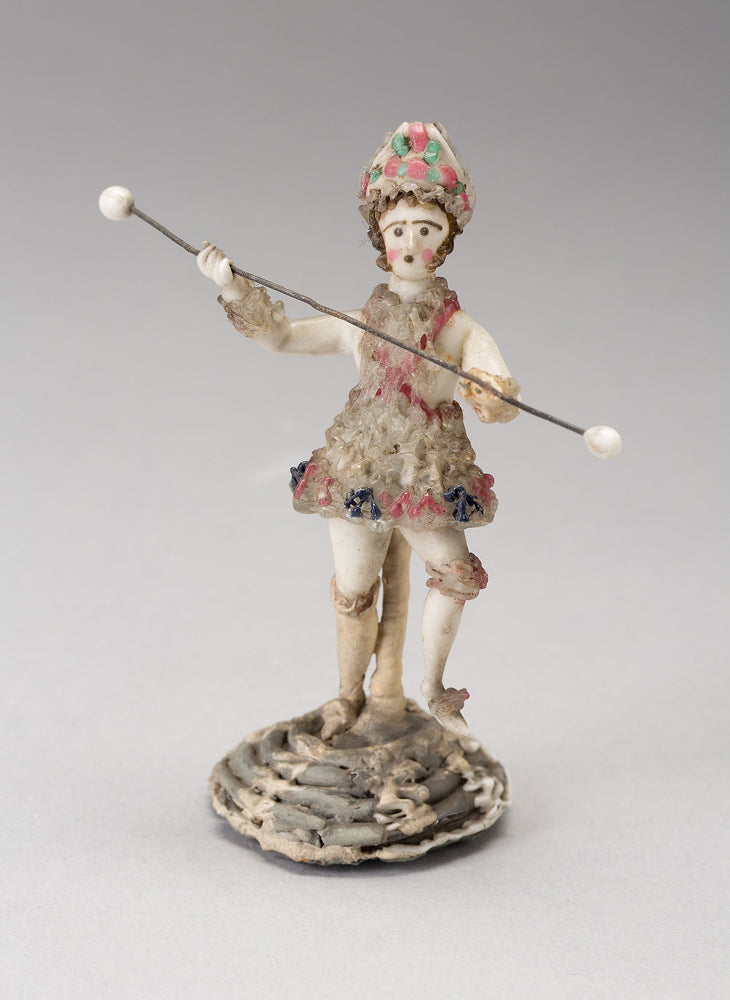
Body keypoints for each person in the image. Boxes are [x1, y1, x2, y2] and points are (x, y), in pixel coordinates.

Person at [197, 122, 520, 738]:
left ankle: (433, 688)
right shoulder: (360, 322)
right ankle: (347, 697)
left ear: (446, 239)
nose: (410, 243)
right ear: (381, 237)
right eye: (398, 230)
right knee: (353, 591)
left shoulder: (458, 329)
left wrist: (493, 394)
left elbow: (497, 386)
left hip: (426, 474)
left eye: (426, 229)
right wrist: (233, 287)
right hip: (361, 469)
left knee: (455, 574)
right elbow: (282, 336)